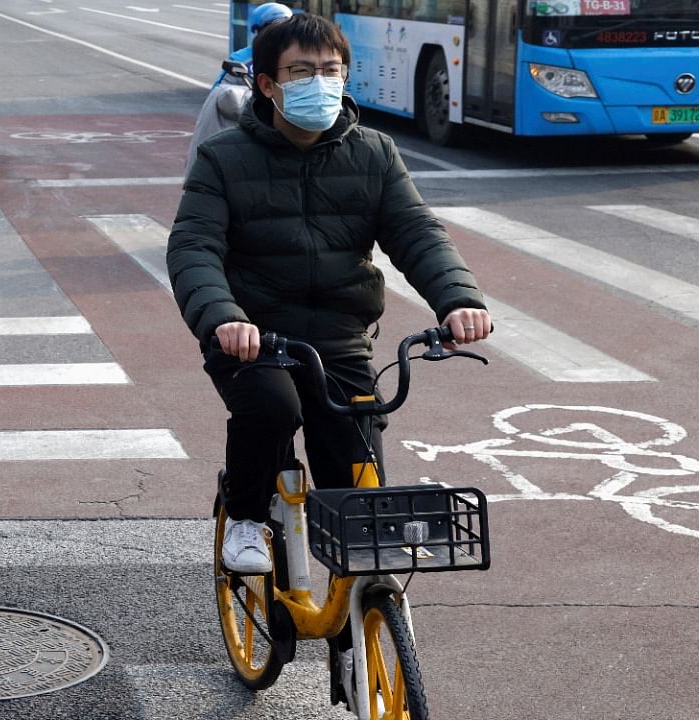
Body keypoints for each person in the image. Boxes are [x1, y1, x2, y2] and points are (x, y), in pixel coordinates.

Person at [168, 13, 491, 577]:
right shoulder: (224, 158)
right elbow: (193, 247)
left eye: (330, 70)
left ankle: (358, 627)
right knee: (274, 408)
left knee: (356, 468)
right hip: (254, 337)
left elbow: (416, 233)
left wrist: (459, 299)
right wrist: (223, 317)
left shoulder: (374, 152)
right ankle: (245, 515)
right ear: (267, 84)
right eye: (301, 71)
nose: (319, 82)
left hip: (341, 335)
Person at [184, 2, 293, 177]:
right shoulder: (243, 60)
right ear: (261, 31)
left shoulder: (291, 58)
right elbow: (223, 97)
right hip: (239, 143)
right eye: (275, 28)